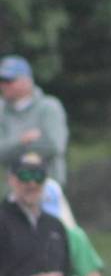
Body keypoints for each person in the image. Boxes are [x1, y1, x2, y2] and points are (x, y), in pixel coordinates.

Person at [0, 55, 69, 185]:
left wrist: (12, 148)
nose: (3, 85)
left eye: (9, 80)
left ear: (27, 80)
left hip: (48, 187)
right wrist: (22, 141)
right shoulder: (1, 111)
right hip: (13, 193)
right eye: (1, 81)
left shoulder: (49, 107)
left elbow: (54, 146)